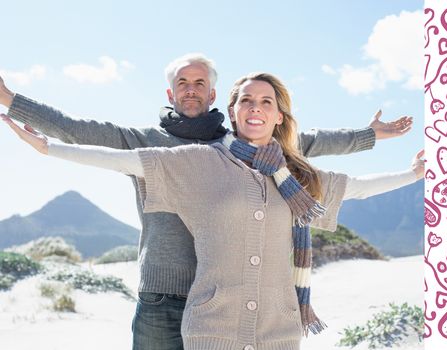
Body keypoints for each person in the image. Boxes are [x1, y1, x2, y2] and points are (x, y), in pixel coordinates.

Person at [0, 53, 413, 350]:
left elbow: (305, 144)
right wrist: (11, 102)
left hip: (227, 299)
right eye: (183, 82)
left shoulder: (243, 148)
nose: (191, 89)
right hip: (163, 294)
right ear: (170, 91)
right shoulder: (147, 143)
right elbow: (76, 130)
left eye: (200, 83)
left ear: (215, 94)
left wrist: (369, 136)